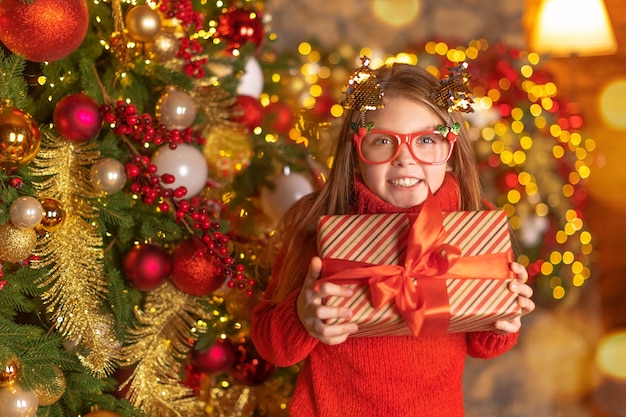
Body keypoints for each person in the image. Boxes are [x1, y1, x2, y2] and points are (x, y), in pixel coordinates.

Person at [250, 57, 535, 417]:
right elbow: (270, 344)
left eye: (427, 140)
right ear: (357, 152)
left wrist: (503, 321)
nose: (405, 159)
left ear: (450, 153)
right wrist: (301, 317)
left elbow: (484, 345)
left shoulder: (476, 222)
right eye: (383, 141)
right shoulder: (318, 223)